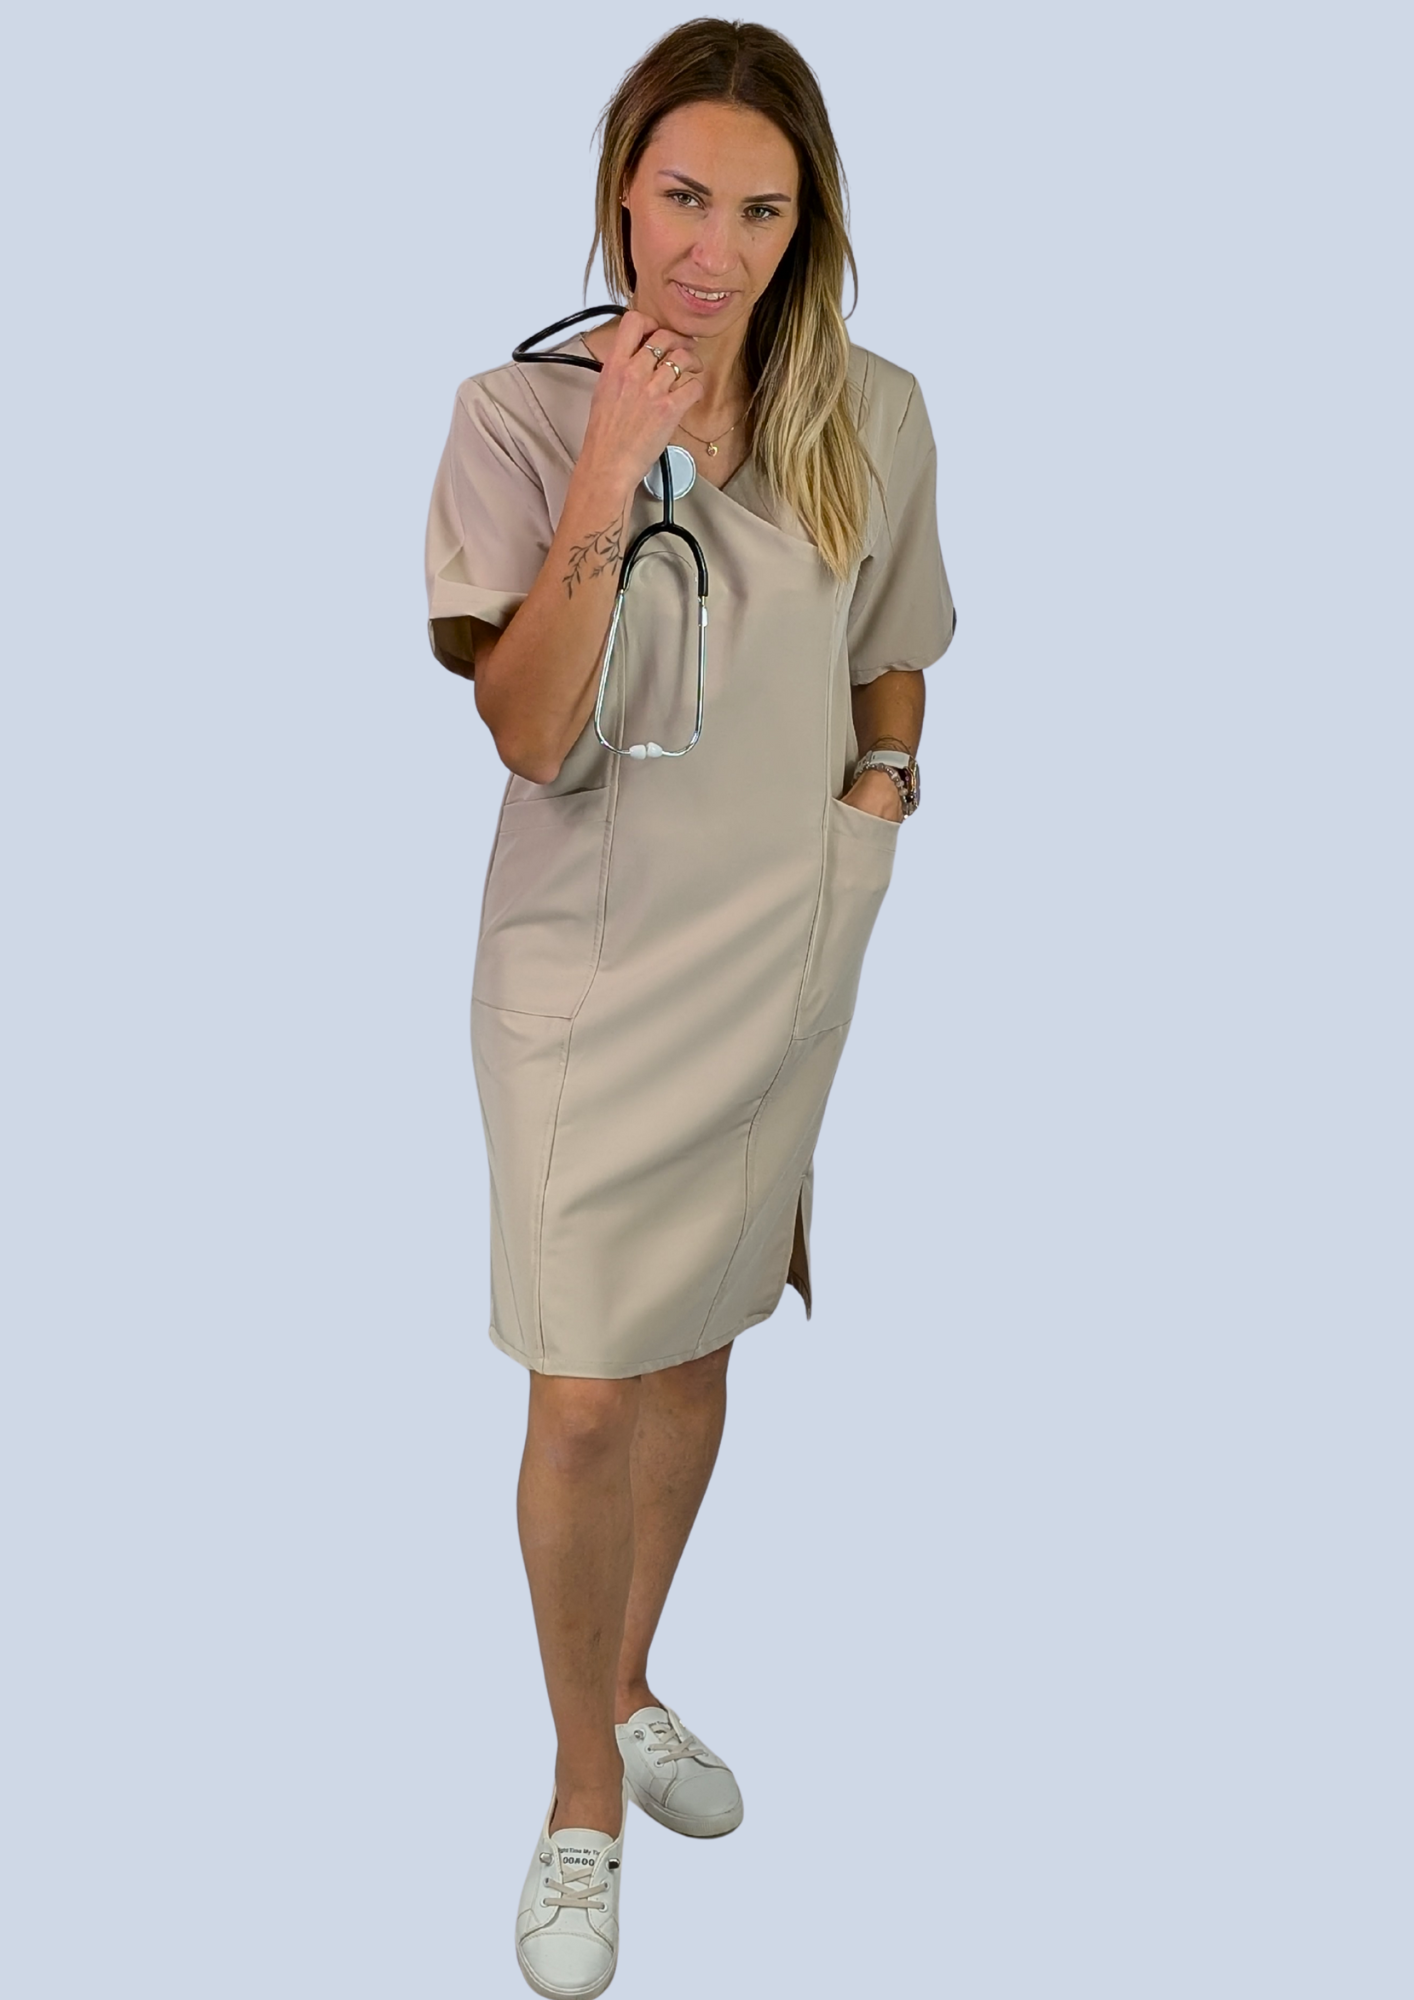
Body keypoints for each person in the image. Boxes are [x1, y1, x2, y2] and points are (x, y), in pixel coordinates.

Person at [424, 20, 954, 1995]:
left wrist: (880, 789)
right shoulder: (510, 412)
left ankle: (630, 1675)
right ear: (619, 194)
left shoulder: (868, 411)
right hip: (585, 971)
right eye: (678, 197)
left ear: (804, 226)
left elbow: (894, 638)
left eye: (759, 210)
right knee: (580, 1381)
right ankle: (583, 1792)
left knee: (695, 1347)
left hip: (778, 955)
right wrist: (607, 465)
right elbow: (525, 726)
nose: (710, 248)